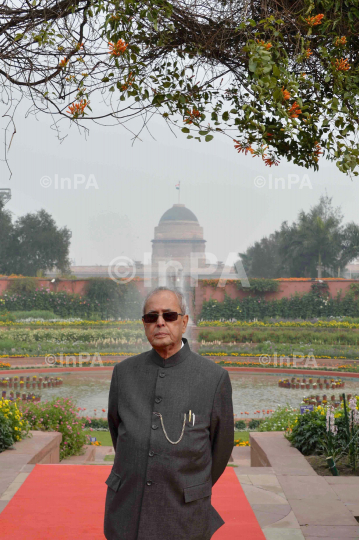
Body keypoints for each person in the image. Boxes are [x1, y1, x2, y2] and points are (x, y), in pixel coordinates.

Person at [104, 286, 234, 540]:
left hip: (184, 512)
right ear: (144, 324)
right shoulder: (124, 373)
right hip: (128, 509)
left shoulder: (213, 377)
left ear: (184, 322)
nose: (160, 322)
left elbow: (221, 447)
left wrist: (192, 483)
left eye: (169, 315)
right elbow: (118, 434)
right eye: (151, 317)